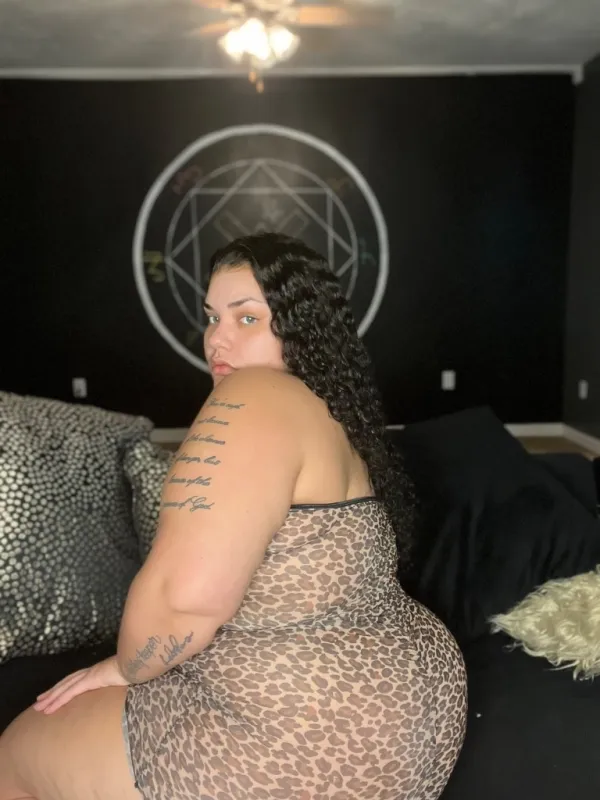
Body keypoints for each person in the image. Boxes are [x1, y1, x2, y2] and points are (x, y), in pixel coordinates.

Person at [0, 232, 467, 800]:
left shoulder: (253, 396)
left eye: (247, 318)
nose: (216, 339)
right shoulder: (331, 411)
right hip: (413, 726)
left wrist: (125, 668)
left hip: (305, 745)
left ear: (299, 326)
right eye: (211, 317)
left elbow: (184, 600)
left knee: (14, 757)